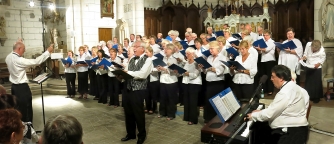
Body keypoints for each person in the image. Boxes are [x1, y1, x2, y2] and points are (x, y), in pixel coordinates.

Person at [246, 65, 309, 144]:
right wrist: (260, 112)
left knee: (260, 130)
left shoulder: (285, 93)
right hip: (296, 128)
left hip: (292, 132)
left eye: (273, 76)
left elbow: (269, 114)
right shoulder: (292, 86)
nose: (271, 79)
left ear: (281, 78)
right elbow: (276, 108)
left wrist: (252, 116)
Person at [5, 39, 53, 123]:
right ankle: (27, 131)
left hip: (14, 87)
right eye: (23, 49)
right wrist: (48, 52)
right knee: (26, 111)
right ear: (19, 49)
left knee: (18, 109)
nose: (25, 50)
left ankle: (19, 128)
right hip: (22, 89)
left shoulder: (8, 57)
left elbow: (14, 49)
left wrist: (17, 43)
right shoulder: (19, 60)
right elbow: (37, 61)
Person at [121, 41, 152, 144]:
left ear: (142, 49)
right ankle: (130, 134)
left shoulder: (148, 60)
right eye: (133, 46)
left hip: (138, 90)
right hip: (128, 88)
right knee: (128, 113)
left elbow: (142, 74)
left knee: (138, 114)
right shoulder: (132, 59)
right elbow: (126, 70)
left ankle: (141, 135)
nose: (134, 48)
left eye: (136, 47)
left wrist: (128, 72)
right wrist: (120, 75)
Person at [199, 41, 227, 123]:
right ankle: (208, 119)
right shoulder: (209, 58)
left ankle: (217, 119)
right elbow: (206, 71)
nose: (210, 50)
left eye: (212, 48)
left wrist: (211, 68)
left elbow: (220, 71)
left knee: (217, 101)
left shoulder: (222, 57)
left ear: (217, 48)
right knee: (208, 100)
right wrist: (203, 68)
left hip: (217, 82)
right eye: (209, 49)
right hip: (209, 81)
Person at [157, 43, 178, 120]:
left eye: (167, 49)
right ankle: (162, 112)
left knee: (171, 98)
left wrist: (165, 69)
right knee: (163, 97)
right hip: (163, 80)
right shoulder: (164, 58)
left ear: (172, 50)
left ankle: (171, 114)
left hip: (171, 80)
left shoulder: (174, 59)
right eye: (165, 49)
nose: (165, 50)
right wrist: (159, 68)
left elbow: (175, 71)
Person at [181, 47, 202, 125]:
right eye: (186, 54)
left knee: (193, 102)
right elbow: (183, 71)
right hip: (186, 82)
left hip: (195, 84)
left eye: (188, 54)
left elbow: (195, 74)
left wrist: (187, 74)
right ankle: (187, 117)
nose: (187, 55)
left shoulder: (197, 63)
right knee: (186, 101)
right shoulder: (187, 62)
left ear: (193, 54)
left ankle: (193, 119)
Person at [255, 29, 276, 95]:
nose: (265, 37)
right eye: (264, 35)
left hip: (270, 60)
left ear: (270, 35)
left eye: (267, 35)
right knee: (264, 76)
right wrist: (258, 49)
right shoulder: (263, 42)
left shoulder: (272, 42)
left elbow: (267, 50)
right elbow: (261, 52)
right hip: (263, 60)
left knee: (270, 75)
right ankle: (264, 89)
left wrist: (260, 49)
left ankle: (270, 90)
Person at [145, 46, 159, 114]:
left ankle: (153, 108)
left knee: (153, 94)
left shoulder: (155, 59)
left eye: (147, 52)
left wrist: (151, 70)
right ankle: (148, 107)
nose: (146, 53)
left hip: (153, 78)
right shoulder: (145, 59)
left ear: (151, 52)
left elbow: (158, 68)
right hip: (146, 78)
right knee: (147, 94)